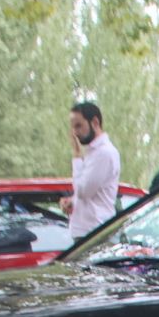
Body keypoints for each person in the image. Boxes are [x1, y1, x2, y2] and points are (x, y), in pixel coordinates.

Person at [61, 101, 121, 244]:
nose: (75, 133)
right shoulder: (93, 153)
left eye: (78, 126)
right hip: (88, 233)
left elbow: (83, 191)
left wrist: (76, 156)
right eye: (73, 127)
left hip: (95, 234)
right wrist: (72, 202)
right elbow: (89, 194)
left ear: (95, 122)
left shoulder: (103, 153)